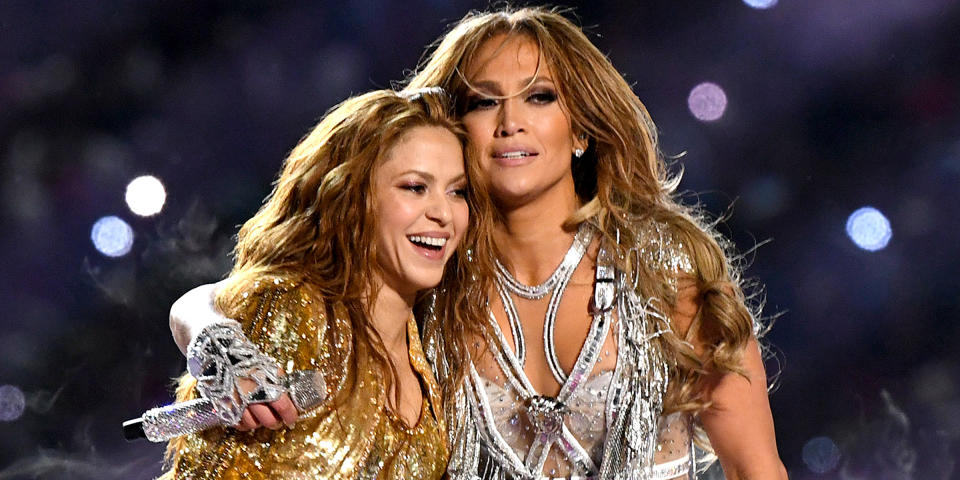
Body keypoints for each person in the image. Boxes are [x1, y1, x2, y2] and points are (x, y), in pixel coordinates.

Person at [170, 6, 787, 479]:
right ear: (454, 127)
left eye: (539, 97)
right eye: (484, 101)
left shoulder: (662, 273)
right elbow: (226, 299)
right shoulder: (428, 278)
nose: (509, 120)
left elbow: (758, 470)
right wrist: (217, 344)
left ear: (581, 128)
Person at [159, 88, 497, 479]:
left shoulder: (426, 347)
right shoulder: (297, 310)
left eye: (457, 192)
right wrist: (210, 338)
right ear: (351, 195)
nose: (443, 213)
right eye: (414, 187)